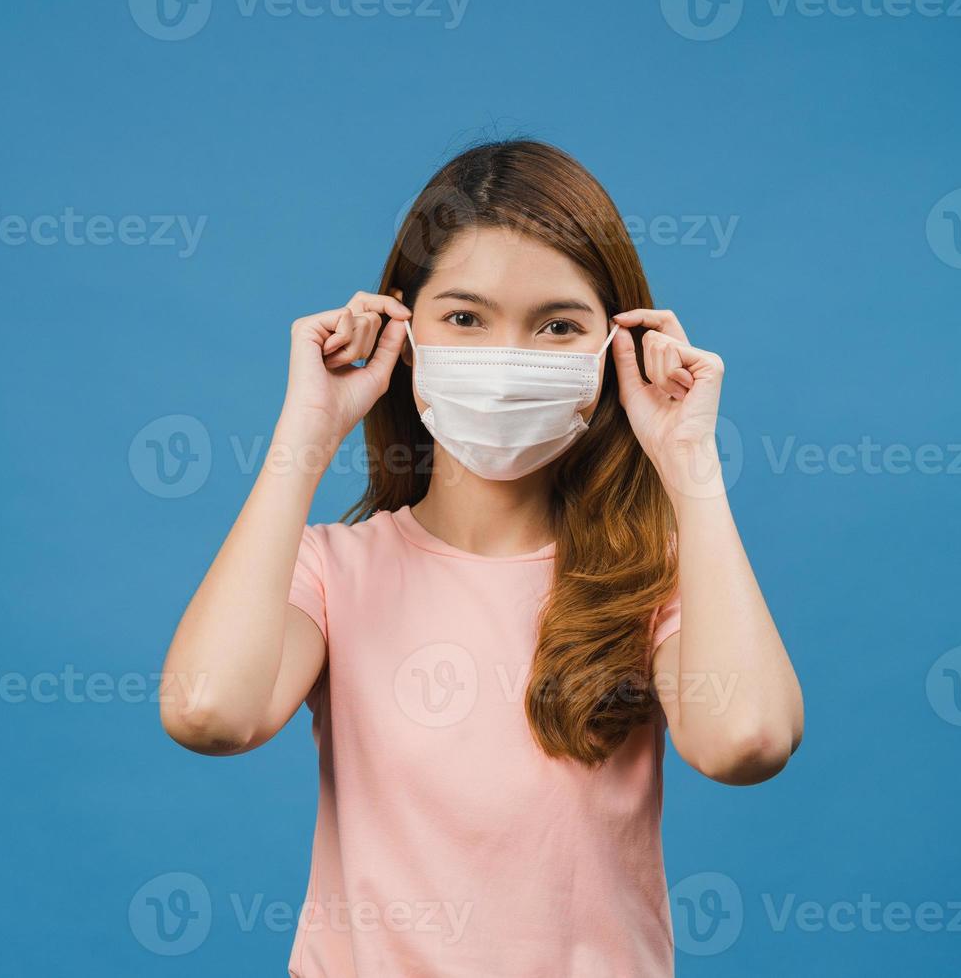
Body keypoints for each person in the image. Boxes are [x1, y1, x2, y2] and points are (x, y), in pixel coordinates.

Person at [160, 139, 804, 977]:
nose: (507, 360)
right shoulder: (331, 573)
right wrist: (304, 438)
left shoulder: (657, 579)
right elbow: (208, 711)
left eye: (558, 326)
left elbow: (747, 739)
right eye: (465, 318)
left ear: (617, 349)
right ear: (405, 333)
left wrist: (691, 468)